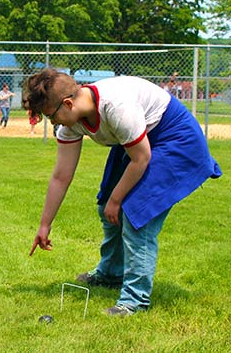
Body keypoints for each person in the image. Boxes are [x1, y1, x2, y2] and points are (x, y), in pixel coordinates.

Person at [23, 68, 221, 317]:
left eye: (51, 116)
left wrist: (117, 201)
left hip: (174, 138)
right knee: (104, 203)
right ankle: (111, 272)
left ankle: (134, 301)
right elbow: (61, 176)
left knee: (137, 214)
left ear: (69, 103)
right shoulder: (71, 124)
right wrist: (44, 225)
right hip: (141, 140)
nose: (53, 123)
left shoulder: (116, 107)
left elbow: (141, 158)